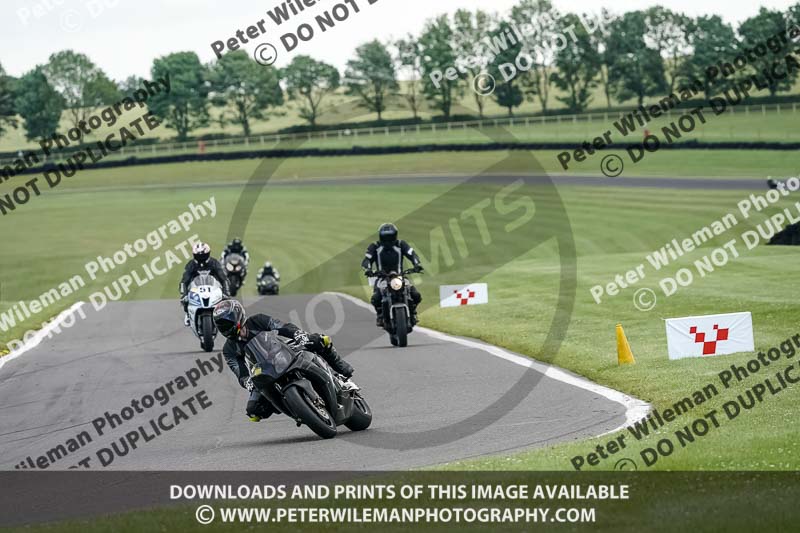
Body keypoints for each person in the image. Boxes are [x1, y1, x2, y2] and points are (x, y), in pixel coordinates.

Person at [213, 299, 355, 422]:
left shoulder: (257, 320)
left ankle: (342, 371)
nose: (224, 327)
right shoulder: (228, 349)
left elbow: (280, 326)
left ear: (237, 317)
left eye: (226, 323)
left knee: (320, 340)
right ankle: (295, 408)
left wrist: (298, 335)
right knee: (253, 410)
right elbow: (239, 371)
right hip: (264, 372)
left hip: (284, 352)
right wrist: (247, 382)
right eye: (220, 325)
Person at [361, 223, 424, 327]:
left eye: (390, 238)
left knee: (416, 295)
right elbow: (367, 260)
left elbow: (412, 254)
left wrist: (417, 264)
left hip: (399, 276)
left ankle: (412, 313)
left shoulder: (401, 244)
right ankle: (380, 315)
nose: (388, 241)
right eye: (385, 238)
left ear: (395, 236)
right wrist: (368, 269)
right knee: (376, 298)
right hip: (382, 277)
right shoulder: (374, 247)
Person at [180, 242, 230, 326]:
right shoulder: (191, 264)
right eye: (198, 255)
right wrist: (184, 294)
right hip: (195, 289)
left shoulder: (214, 263)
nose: (201, 258)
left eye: (203, 255)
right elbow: (184, 281)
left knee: (225, 300)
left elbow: (223, 278)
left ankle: (224, 315)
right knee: (185, 299)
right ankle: (188, 314)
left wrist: (226, 292)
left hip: (213, 288)